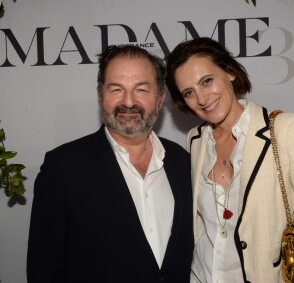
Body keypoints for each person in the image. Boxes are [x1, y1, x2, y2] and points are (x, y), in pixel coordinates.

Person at [27, 45, 194, 283]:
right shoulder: (63, 168)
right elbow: (44, 269)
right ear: (100, 95)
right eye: (116, 89)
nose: (128, 102)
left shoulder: (183, 161)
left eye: (141, 89)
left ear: (160, 99)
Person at [165, 37, 294, 283]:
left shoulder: (286, 130)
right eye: (189, 92)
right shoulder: (195, 140)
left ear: (229, 72)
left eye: (207, 81)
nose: (202, 98)